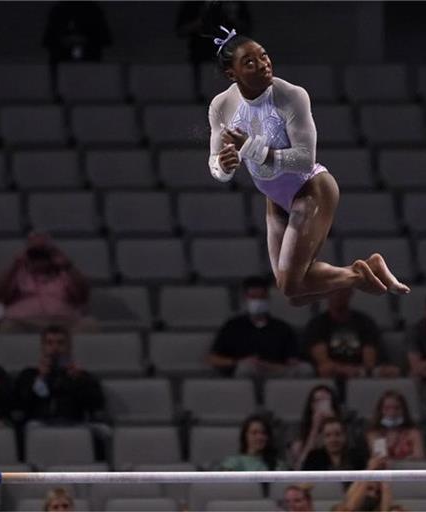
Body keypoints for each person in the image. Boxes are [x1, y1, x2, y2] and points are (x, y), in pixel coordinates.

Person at [206, 28, 410, 307]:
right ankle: (362, 272)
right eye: (250, 62)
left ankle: (358, 274)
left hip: (310, 188)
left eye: (264, 56)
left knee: (293, 284)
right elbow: (215, 164)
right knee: (293, 292)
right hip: (274, 198)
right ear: (233, 74)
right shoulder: (222, 105)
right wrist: (224, 166)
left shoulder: (291, 96)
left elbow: (304, 158)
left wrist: (251, 149)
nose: (263, 64)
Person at [208, 275, 314, 378]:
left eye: (261, 297)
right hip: (248, 370)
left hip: (277, 371)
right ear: (245, 299)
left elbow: (292, 359)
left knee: (305, 369)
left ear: (268, 298)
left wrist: (271, 365)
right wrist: (239, 362)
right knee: (246, 368)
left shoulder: (282, 328)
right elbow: (213, 358)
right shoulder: (232, 326)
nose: (258, 302)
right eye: (253, 297)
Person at [0, 232, 93, 333]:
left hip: (63, 323)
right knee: (7, 327)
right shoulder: (18, 272)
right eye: (35, 253)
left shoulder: (65, 272)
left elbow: (83, 295)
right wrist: (14, 265)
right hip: (24, 322)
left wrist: (68, 266)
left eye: (44, 253)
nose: (40, 258)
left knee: (89, 325)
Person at [14, 325, 105, 425]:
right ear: (42, 347)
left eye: (60, 343)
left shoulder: (82, 376)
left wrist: (79, 380)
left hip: (73, 424)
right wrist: (40, 378)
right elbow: (21, 404)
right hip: (38, 424)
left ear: (69, 347)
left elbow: (96, 405)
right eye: (49, 343)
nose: (55, 348)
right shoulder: (28, 375)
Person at [305, 288, 400, 378]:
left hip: (361, 371)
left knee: (391, 371)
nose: (338, 295)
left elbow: (369, 361)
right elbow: (323, 361)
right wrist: (344, 370)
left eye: (342, 291)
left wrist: (356, 370)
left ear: (350, 293)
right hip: (332, 371)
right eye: (334, 292)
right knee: (325, 369)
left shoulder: (365, 322)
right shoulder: (317, 324)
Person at [175, 1, 252, 99]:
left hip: (230, 58)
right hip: (201, 59)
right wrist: (199, 22)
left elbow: (246, 27)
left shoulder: (234, 3)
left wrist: (231, 15)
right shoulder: (192, 4)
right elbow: (181, 29)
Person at [288, 384, 344, 469]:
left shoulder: (345, 427)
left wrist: (334, 421)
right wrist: (314, 429)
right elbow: (300, 467)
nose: (322, 405)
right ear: (311, 405)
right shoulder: (299, 432)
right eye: (318, 401)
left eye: (326, 400)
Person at [42, 1, 112, 66]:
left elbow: (105, 39)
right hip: (63, 64)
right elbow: (48, 40)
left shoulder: (94, 10)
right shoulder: (58, 10)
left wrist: (85, 40)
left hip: (90, 65)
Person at [365, 390, 426, 463]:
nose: (392, 413)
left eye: (397, 408)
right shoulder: (376, 434)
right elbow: (380, 458)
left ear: (404, 410)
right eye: (387, 409)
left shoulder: (413, 433)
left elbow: (419, 458)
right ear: (380, 411)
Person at [220, 414, 287, 471]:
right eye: (254, 433)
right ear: (245, 436)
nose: (260, 437)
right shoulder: (232, 463)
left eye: (263, 433)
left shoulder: (278, 466)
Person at [302, 417, 367, 472]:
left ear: (345, 436)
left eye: (337, 434)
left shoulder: (356, 457)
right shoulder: (313, 457)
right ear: (322, 438)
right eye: (328, 435)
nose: (333, 439)